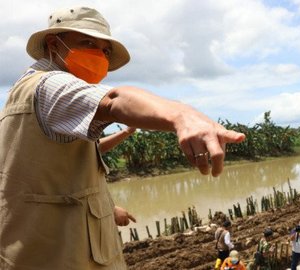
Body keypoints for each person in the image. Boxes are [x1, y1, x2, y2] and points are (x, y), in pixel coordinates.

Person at [0, 6, 245, 270]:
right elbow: (114, 100)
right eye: (87, 42)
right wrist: (181, 115)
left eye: (104, 50)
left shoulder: (38, 99)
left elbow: (73, 165)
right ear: (53, 44)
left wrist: (107, 209)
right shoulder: (49, 85)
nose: (99, 54)